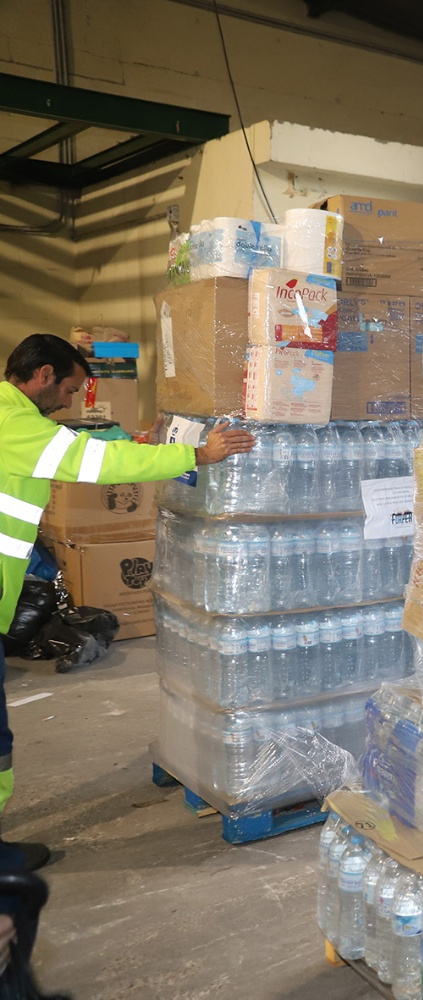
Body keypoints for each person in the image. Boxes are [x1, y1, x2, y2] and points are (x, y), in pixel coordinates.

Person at [0, 333, 255, 871]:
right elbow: (93, 463)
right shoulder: (13, 425)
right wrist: (197, 453)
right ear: (43, 375)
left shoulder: (14, 417)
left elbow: (87, 442)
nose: (70, 401)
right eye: (68, 389)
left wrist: (144, 442)